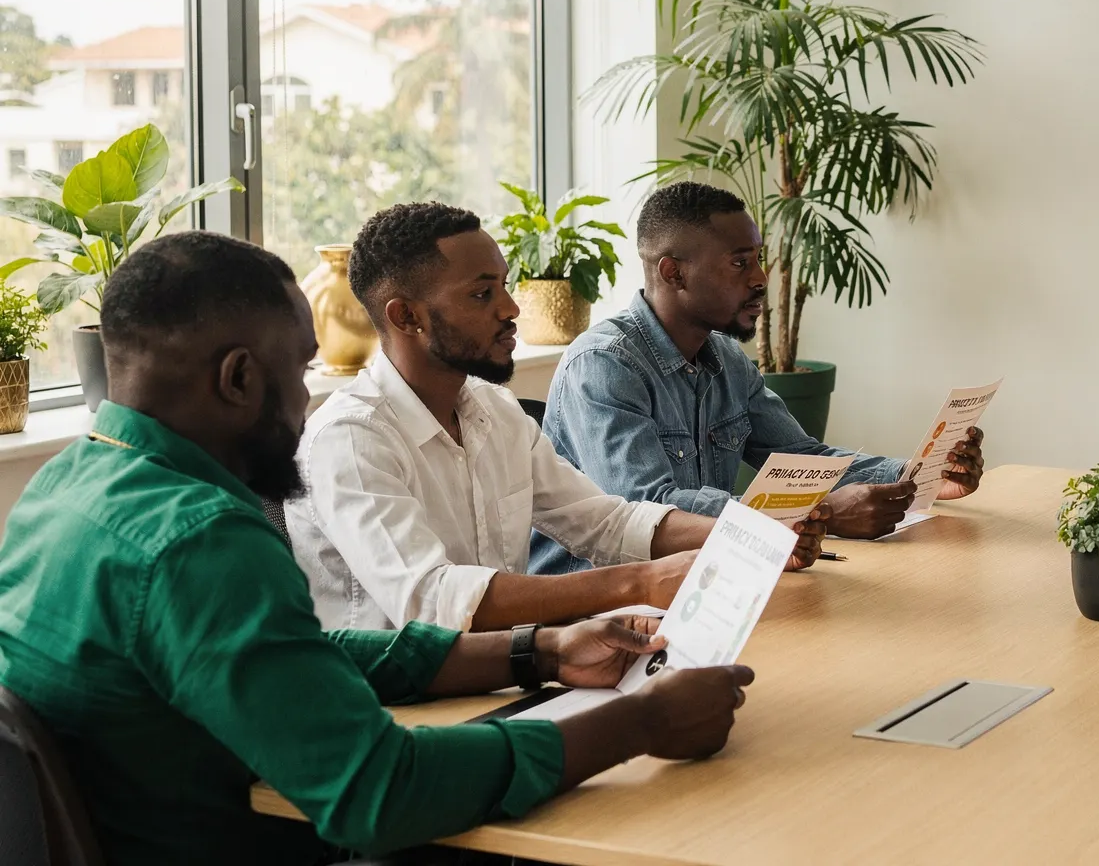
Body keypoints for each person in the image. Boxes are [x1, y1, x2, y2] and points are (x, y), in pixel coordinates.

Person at [0, 232, 757, 865]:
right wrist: (640, 724)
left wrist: (538, 651)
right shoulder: (199, 543)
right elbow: (382, 792)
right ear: (237, 379)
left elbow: (303, 650)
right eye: (299, 371)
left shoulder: (70, 483)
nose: (307, 401)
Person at [290, 202, 826, 632]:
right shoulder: (352, 440)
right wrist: (638, 583)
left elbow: (606, 522)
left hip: (513, 670)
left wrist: (750, 538)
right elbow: (432, 600)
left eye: (504, 285)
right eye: (482, 294)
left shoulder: (493, 412)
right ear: (405, 316)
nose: (510, 309)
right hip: (401, 710)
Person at [533, 182, 984, 574]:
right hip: (595, 611)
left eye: (758, 260)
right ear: (674, 273)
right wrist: (820, 512)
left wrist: (918, 477)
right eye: (739, 263)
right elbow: (648, 513)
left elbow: (805, 458)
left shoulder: (725, 357)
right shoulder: (603, 365)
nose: (760, 278)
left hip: (703, 581)